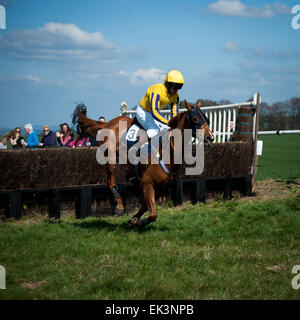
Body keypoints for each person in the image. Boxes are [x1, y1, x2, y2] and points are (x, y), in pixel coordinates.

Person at [136, 70, 184, 139]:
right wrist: (168, 122)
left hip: (153, 114)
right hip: (143, 112)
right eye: (175, 87)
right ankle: (138, 144)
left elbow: (175, 114)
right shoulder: (157, 91)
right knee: (156, 131)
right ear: (168, 85)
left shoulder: (176, 96)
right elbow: (154, 111)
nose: (176, 90)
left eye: (179, 88)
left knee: (167, 130)